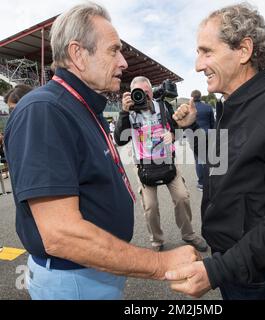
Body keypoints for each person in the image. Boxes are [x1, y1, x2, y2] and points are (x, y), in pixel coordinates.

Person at [4, 3, 199, 300]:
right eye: (113, 50)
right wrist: (159, 264)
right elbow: (61, 235)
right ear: (78, 54)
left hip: (96, 270)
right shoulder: (44, 111)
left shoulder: (79, 106)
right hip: (72, 280)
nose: (123, 62)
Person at [166, 3, 265, 300]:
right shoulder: (233, 107)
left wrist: (218, 270)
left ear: (243, 50)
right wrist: (190, 129)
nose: (198, 65)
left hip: (258, 279)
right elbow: (222, 160)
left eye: (206, 51)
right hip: (232, 265)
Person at [114, 76, 207, 253]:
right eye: (139, 93)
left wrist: (173, 136)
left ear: (152, 90)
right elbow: (120, 139)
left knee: (182, 197)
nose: (144, 96)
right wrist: (124, 112)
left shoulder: (163, 106)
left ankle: (189, 234)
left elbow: (178, 128)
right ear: (133, 94)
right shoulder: (130, 112)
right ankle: (156, 240)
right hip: (144, 165)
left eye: (147, 92)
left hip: (167, 160)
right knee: (150, 206)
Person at [190, 90, 215, 191]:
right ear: (200, 96)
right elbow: (213, 123)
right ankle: (209, 181)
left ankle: (201, 183)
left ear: (192, 97)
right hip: (208, 135)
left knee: (198, 160)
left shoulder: (190, 109)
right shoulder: (208, 107)